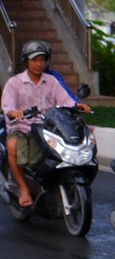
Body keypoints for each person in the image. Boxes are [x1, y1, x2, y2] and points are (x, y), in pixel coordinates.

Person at [1, 40, 91, 208]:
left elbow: (65, 100)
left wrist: (77, 106)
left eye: (42, 60)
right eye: (35, 60)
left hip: (47, 128)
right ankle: (24, 190)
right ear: (26, 61)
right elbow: (7, 106)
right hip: (23, 128)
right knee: (12, 145)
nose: (39, 64)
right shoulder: (14, 83)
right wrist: (14, 112)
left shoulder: (51, 81)